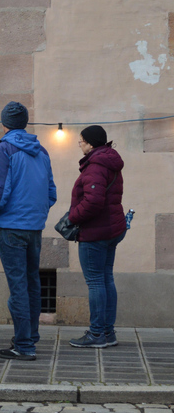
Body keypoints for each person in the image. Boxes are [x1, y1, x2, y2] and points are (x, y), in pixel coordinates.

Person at [0, 101, 56, 361]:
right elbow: (51, 193)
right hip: (34, 226)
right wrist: (36, 213)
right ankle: (30, 336)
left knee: (18, 286)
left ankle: (24, 344)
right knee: (32, 282)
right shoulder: (42, 150)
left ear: (4, 123)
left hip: (12, 227)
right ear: (25, 123)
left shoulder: (3, 149)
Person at [67, 126, 126, 348]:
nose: (79, 144)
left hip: (96, 232)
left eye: (81, 140)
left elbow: (93, 202)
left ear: (91, 143)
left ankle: (97, 334)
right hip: (111, 229)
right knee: (105, 279)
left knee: (95, 282)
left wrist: (73, 217)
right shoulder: (109, 161)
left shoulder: (95, 166)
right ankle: (108, 333)